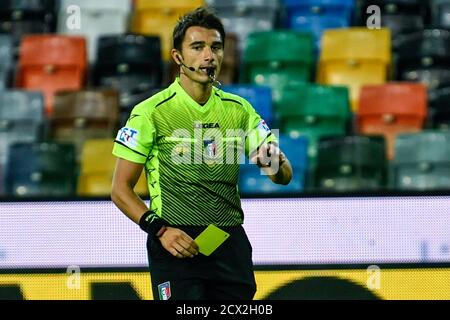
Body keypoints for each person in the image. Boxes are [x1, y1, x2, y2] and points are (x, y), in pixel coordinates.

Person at [111, 7, 293, 300]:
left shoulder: (239, 110)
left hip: (229, 243)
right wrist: (160, 231)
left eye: (216, 47)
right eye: (198, 47)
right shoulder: (150, 113)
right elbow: (120, 189)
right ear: (178, 57)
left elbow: (283, 176)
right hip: (175, 242)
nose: (209, 56)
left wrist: (274, 164)